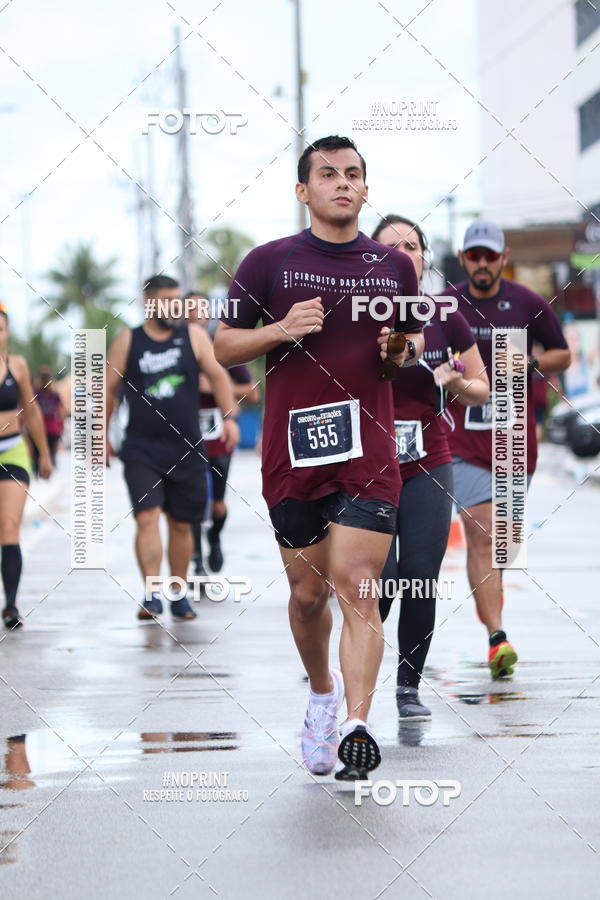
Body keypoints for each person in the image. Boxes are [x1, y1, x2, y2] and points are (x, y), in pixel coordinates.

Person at [214, 135, 424, 778]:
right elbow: (223, 348)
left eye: (353, 174)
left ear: (365, 188)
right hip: (293, 454)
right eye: (327, 174)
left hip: (370, 452)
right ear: (303, 190)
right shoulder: (268, 263)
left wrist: (395, 351)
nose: (342, 183)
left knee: (358, 586)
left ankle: (358, 726)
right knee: (308, 595)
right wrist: (281, 329)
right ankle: (322, 696)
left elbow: (409, 352)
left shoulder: (395, 268)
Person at [372, 215, 489, 718]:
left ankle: (407, 689)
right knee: (379, 577)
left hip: (428, 457)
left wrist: (452, 379)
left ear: (424, 257)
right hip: (368, 463)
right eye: (391, 247)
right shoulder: (357, 313)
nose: (404, 254)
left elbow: (481, 386)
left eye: (412, 246)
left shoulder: (447, 315)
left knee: (419, 574)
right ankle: (348, 674)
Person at [442, 221, 570, 677]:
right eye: (474, 256)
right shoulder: (447, 305)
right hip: (461, 438)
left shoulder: (528, 302)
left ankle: (493, 621)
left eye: (489, 256)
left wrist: (530, 362)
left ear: (503, 257)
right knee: (481, 531)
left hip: (515, 439)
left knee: (504, 545)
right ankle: (497, 638)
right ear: (463, 258)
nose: (481, 263)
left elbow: (561, 354)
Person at [106, 275, 239, 621]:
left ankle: (178, 594)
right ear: (149, 303)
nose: (176, 307)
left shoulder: (192, 337)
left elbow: (220, 375)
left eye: (179, 300)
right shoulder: (128, 341)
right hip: (141, 450)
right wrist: (100, 435)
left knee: (182, 525)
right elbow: (106, 390)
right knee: (147, 518)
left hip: (187, 448)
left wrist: (230, 419)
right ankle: (152, 595)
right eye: (168, 300)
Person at [184, 292, 260, 575]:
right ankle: (197, 560)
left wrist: (218, 386)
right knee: (191, 500)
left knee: (217, 504)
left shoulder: (222, 347)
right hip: (187, 435)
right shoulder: (177, 347)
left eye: (200, 309)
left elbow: (252, 392)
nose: (194, 314)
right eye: (188, 309)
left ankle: (213, 538)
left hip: (219, 435)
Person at [0, 304, 53, 629]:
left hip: (12, 453)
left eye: (1, 328)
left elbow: (31, 412)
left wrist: (44, 454)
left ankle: (11, 605)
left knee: (8, 527)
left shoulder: (15, 365)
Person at [31, 368, 64, 473]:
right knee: (50, 453)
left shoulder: (36, 393)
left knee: (37, 454)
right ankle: (48, 474)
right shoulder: (53, 394)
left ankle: (40, 473)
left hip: (41, 427)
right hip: (50, 428)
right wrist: (61, 426)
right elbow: (61, 411)